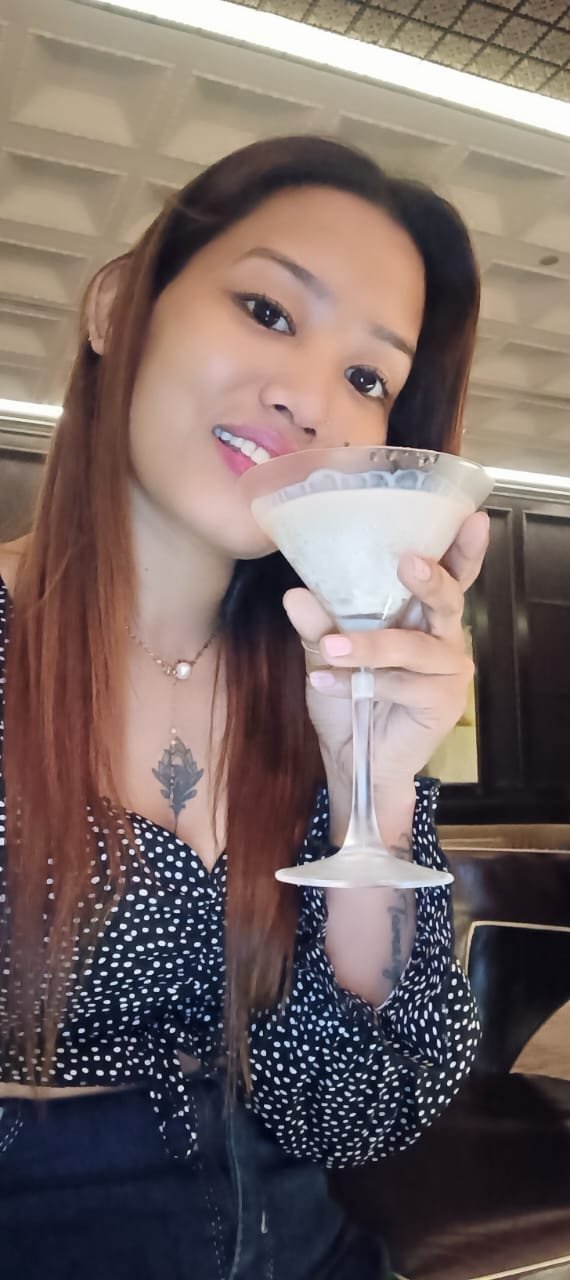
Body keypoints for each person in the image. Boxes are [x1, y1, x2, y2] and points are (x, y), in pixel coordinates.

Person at [0, 134, 488, 1279]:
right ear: (117, 307)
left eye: (368, 379)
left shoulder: (318, 693)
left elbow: (354, 1112)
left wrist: (376, 778)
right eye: (268, 310)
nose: (309, 398)